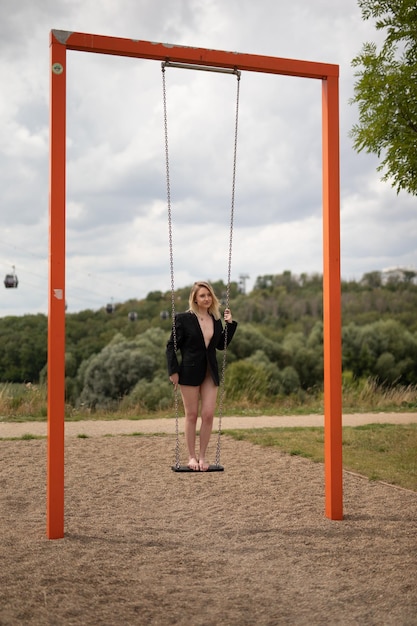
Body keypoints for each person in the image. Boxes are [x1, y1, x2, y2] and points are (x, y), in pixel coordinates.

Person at [166, 281, 238, 471]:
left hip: (209, 371)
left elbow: (221, 345)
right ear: (195, 299)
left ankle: (203, 457)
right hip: (188, 371)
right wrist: (173, 371)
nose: (206, 298)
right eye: (202, 296)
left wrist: (229, 324)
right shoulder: (183, 319)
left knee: (208, 414)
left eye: (209, 295)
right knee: (191, 415)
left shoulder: (215, 318)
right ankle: (191, 457)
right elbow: (170, 346)